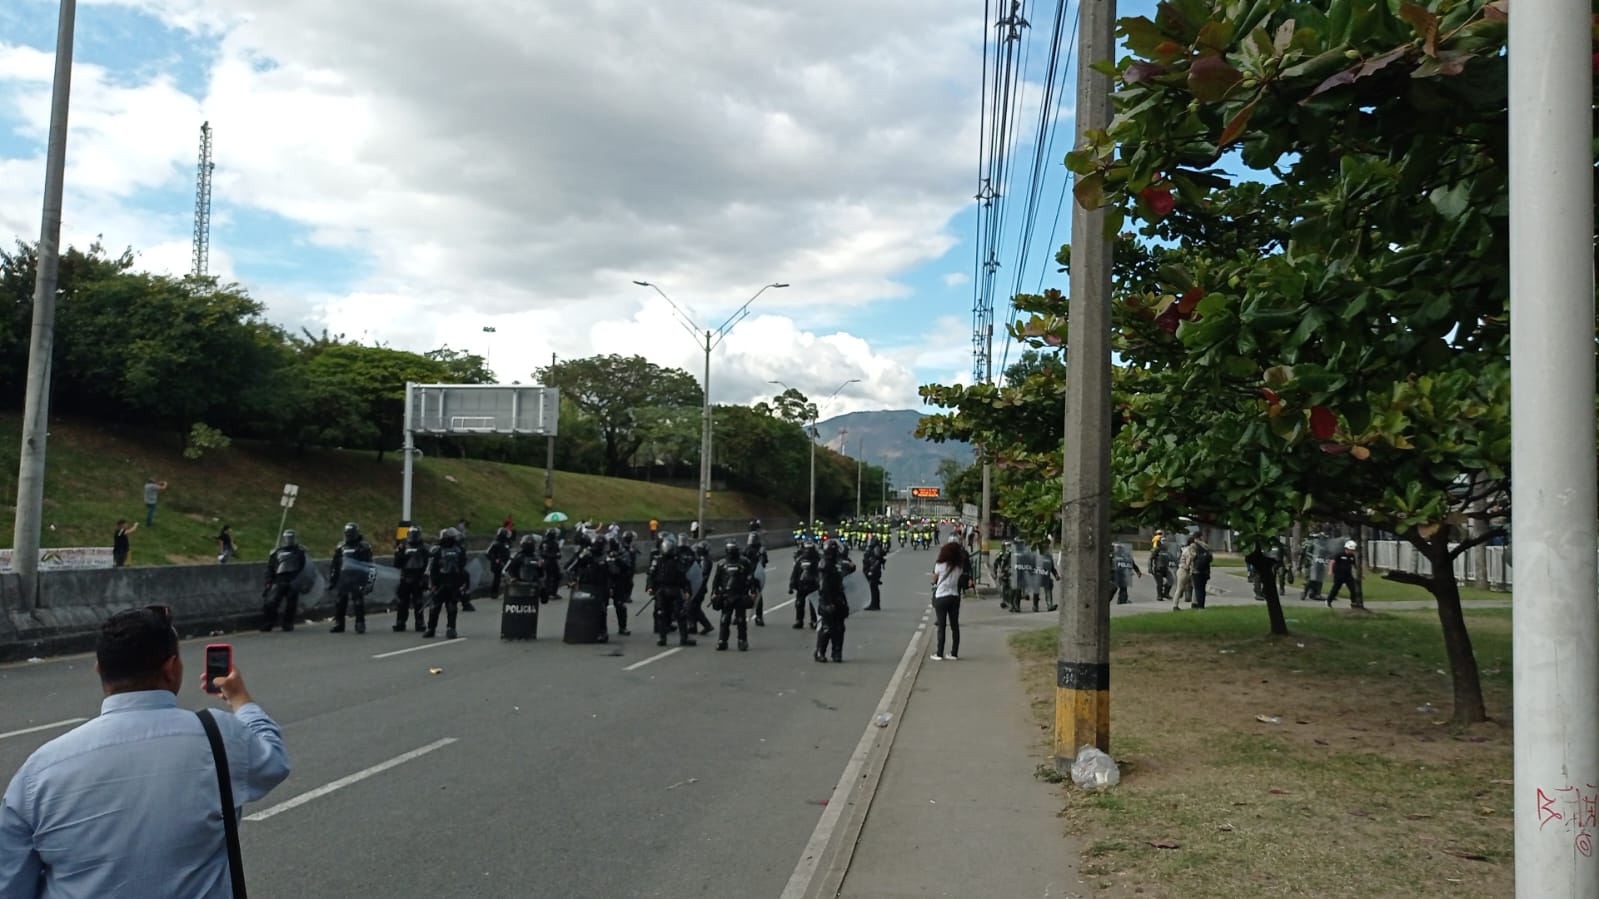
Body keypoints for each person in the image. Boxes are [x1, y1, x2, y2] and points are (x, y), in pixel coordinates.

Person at [0, 605, 291, 897]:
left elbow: (10, 883)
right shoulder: (218, 736)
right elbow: (273, 760)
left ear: (100, 669)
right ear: (170, 667)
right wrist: (241, 698)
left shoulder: (39, 772)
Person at [645, 533, 696, 648]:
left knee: (677, 613)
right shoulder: (659, 561)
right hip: (664, 590)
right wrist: (650, 587)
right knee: (663, 613)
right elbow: (651, 575)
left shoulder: (676, 560)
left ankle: (680, 638)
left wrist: (687, 590)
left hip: (672, 589)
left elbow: (683, 577)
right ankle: (663, 637)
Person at [328, 522, 375, 634]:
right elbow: (335, 564)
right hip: (344, 577)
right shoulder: (341, 546)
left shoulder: (363, 547)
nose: (349, 535)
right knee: (340, 601)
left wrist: (368, 580)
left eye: (351, 533)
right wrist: (333, 579)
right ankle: (339, 623)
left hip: (357, 577)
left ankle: (360, 623)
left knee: (358, 601)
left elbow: (369, 564)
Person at [814, 540, 856, 663]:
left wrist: (850, 565)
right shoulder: (824, 564)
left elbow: (849, 569)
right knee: (827, 628)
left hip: (839, 598)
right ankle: (820, 652)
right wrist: (827, 603)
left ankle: (837, 653)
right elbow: (823, 586)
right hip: (828, 599)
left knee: (839, 628)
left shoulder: (838, 563)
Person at [709, 541, 755, 652]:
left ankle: (742, 640)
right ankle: (722, 641)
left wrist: (752, 591)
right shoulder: (721, 564)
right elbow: (716, 580)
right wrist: (714, 592)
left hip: (740, 595)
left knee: (740, 620)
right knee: (724, 620)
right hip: (726, 595)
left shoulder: (744, 562)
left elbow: (751, 578)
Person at [426, 527, 469, 638]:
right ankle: (431, 628)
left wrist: (461, 582)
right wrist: (434, 583)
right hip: (440, 582)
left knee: (452, 606)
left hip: (453, 582)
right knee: (435, 607)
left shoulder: (459, 550)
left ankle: (451, 628)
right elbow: (433, 568)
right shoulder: (437, 551)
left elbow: (462, 566)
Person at [262, 530, 309, 632]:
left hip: (293, 579)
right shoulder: (276, 552)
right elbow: (270, 568)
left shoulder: (299, 551)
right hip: (279, 580)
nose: (289, 540)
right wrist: (268, 581)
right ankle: (269, 622)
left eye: (291, 538)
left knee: (291, 604)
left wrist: (302, 581)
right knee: (271, 602)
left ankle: (287, 623)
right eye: (288, 538)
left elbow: (304, 567)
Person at [930, 540, 964, 661]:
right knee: (955, 626)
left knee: (942, 626)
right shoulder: (959, 567)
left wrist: (934, 580)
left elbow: (934, 579)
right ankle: (954, 653)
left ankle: (939, 653)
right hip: (954, 596)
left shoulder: (940, 564)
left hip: (941, 597)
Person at [392, 527, 431, 632]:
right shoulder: (403, 547)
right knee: (402, 602)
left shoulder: (424, 547)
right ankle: (400, 622)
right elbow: (396, 563)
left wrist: (426, 577)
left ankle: (419, 622)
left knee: (418, 601)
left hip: (418, 576)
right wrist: (400, 554)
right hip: (405, 576)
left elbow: (429, 563)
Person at [790, 539, 822, 629]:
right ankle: (799, 620)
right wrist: (792, 585)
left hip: (813, 584)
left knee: (813, 604)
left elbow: (822, 572)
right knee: (799, 603)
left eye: (810, 549)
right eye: (806, 549)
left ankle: (814, 620)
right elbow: (795, 573)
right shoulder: (799, 560)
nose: (808, 551)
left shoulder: (818, 559)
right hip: (802, 585)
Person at [1326, 539, 1365, 609]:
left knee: (1353, 589)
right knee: (1335, 589)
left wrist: (1360, 574)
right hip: (1339, 575)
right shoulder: (1340, 555)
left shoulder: (1352, 557)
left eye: (1353, 550)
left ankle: (1354, 603)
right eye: (1350, 549)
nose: (1351, 551)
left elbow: (1355, 566)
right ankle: (1329, 601)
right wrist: (1330, 571)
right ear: (1346, 548)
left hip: (1348, 575)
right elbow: (1332, 562)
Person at [487, 525, 514, 596]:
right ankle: (494, 592)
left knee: (507, 577)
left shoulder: (506, 543)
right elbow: (488, 553)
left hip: (506, 562)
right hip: (498, 563)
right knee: (497, 578)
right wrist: (495, 559)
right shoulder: (496, 543)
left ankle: (506, 591)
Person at [862, 535, 885, 610]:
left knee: (873, 588)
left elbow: (877, 560)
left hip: (873, 571)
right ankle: (874, 604)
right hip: (871, 570)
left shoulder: (876, 549)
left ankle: (874, 604)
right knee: (873, 587)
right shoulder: (872, 549)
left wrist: (871, 569)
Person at [1190, 535, 1214, 609]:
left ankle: (1199, 606)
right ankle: (1202, 605)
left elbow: (1193, 556)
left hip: (1196, 570)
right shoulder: (1206, 547)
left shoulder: (1193, 546)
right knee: (1202, 589)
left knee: (1198, 589)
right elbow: (1211, 558)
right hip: (1206, 570)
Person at [1174, 536, 1197, 610]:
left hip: (1184, 570)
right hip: (1184, 570)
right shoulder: (1189, 550)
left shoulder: (1185, 549)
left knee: (1194, 587)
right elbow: (1189, 561)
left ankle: (1194, 603)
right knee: (1180, 588)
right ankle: (1175, 606)